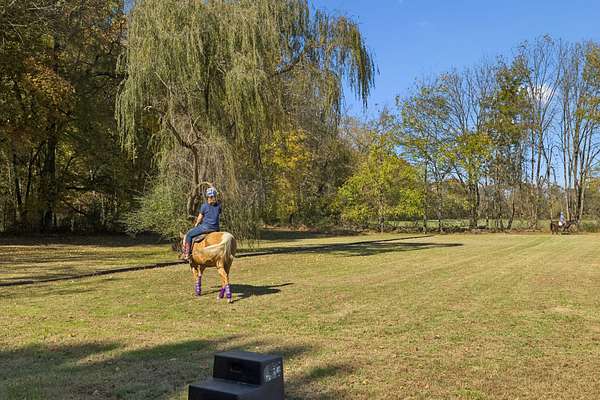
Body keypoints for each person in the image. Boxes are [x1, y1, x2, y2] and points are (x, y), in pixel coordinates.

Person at [182, 187, 222, 261]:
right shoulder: (219, 206)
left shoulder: (204, 206)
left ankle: (186, 254)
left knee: (189, 235)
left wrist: (196, 224)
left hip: (205, 228)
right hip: (216, 228)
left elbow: (200, 218)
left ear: (208, 196)